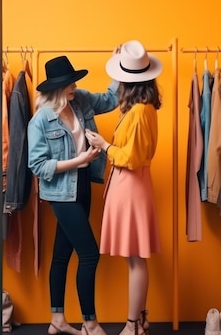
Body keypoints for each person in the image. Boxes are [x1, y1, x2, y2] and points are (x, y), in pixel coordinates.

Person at [28, 55, 119, 335]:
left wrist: (119, 64)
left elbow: (110, 99)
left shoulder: (80, 100)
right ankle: (90, 324)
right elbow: (38, 166)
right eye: (69, 83)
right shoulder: (40, 121)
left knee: (62, 254)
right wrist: (79, 160)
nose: (75, 85)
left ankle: (57, 320)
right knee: (90, 254)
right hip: (60, 192)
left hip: (82, 185)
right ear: (56, 88)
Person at [85, 40, 163, 335]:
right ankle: (139, 319)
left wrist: (103, 144)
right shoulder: (140, 109)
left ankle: (132, 324)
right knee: (136, 258)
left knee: (134, 259)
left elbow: (131, 157)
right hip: (131, 185)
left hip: (130, 185)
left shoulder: (140, 112)